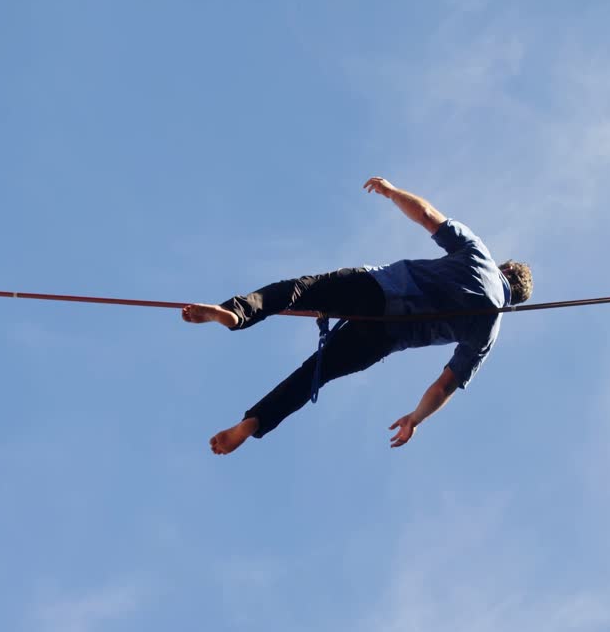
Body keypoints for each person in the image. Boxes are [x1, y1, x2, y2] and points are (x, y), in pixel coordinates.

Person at [182, 177, 533, 455]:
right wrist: (416, 418)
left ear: (503, 267)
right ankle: (253, 423)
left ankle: (235, 312)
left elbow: (427, 215)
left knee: (300, 290)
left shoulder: (479, 256)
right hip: (382, 337)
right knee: (312, 377)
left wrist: (392, 192)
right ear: (513, 302)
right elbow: (444, 385)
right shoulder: (488, 331)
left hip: (376, 288)